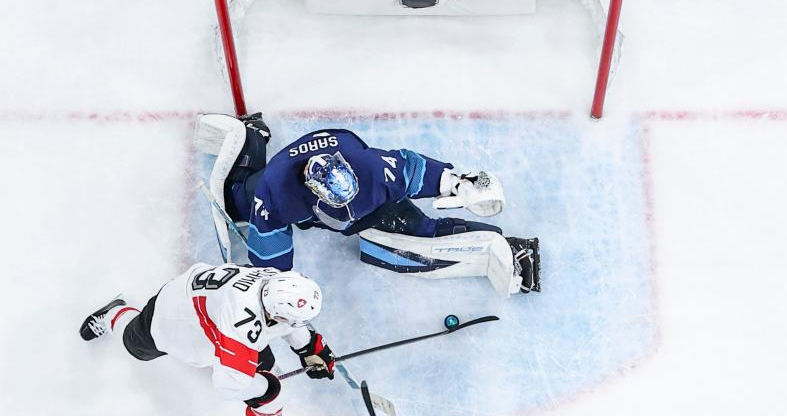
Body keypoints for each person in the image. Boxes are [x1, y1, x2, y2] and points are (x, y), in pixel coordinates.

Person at [196, 113, 540, 297]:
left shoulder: (370, 170)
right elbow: (270, 257)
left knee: (419, 229)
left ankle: (510, 249)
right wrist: (277, 287)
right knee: (237, 202)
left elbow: (411, 168)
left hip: (348, 172)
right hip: (280, 181)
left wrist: (457, 183)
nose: (348, 213)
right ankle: (250, 138)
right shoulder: (275, 196)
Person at [79, 262, 335, 416]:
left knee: (269, 398)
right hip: (174, 318)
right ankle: (113, 313)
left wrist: (309, 347)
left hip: (207, 307)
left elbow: (284, 321)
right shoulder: (242, 324)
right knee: (135, 345)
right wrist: (269, 386)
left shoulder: (275, 282)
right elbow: (228, 384)